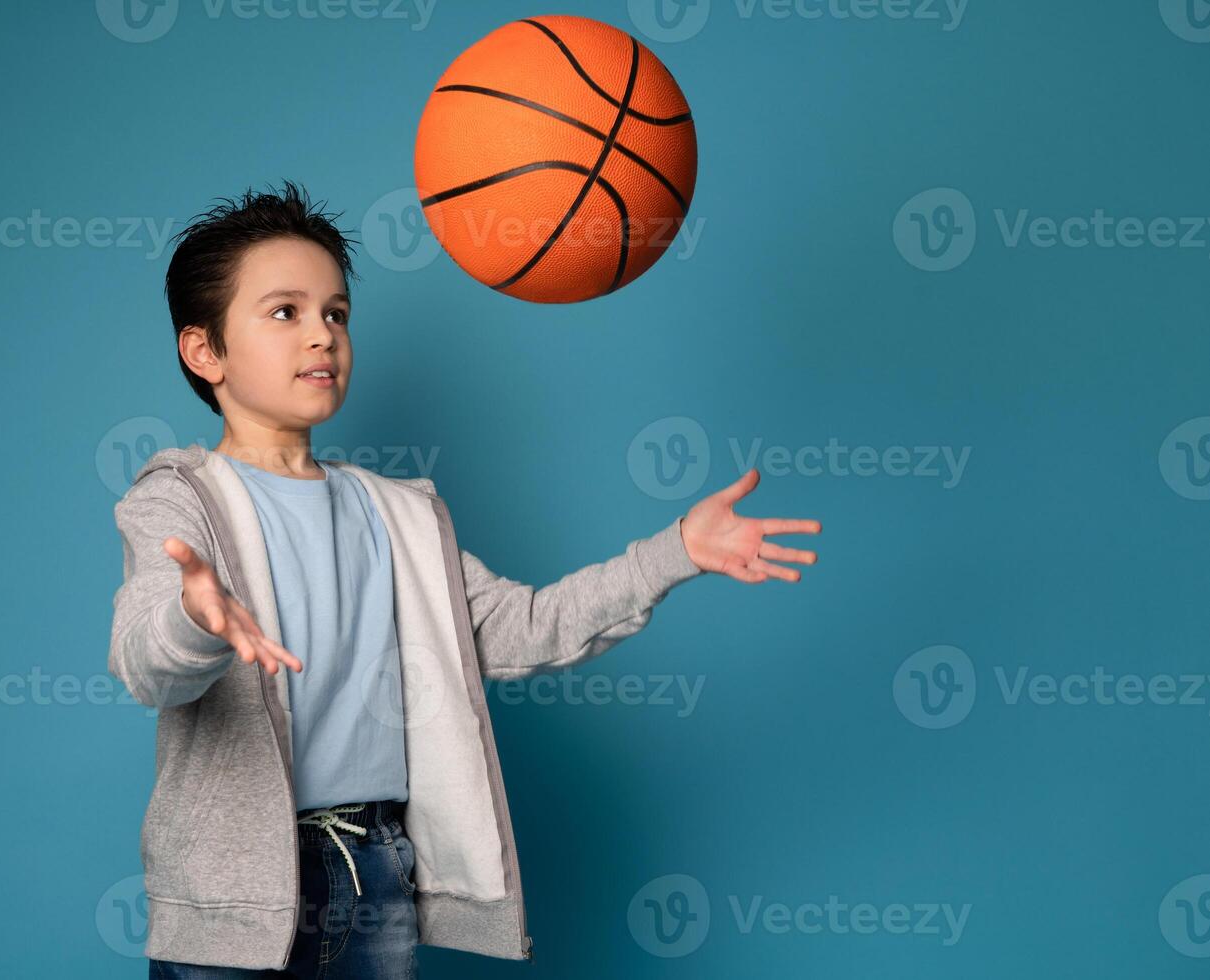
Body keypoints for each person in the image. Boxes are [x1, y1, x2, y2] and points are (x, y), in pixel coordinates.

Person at [107, 180, 821, 977]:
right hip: (234, 889)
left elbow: (517, 628)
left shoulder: (401, 516)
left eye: (335, 313)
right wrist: (193, 619)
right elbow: (143, 658)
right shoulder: (180, 497)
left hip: (375, 867)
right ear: (203, 351)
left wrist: (674, 551)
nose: (321, 337)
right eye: (284, 312)